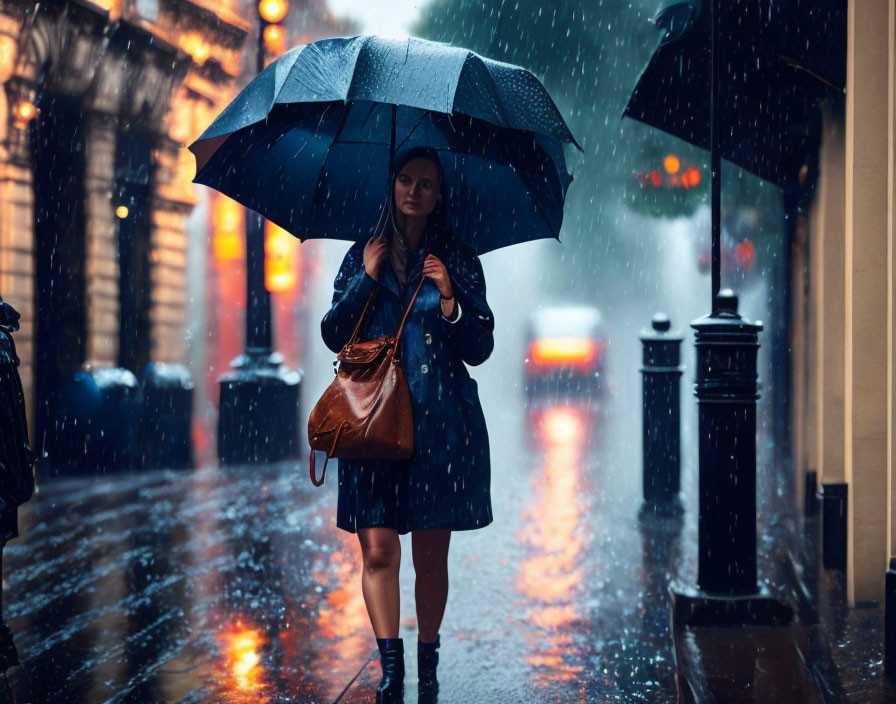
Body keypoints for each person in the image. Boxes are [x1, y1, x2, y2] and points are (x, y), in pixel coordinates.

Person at [320, 147, 494, 703]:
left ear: (440, 195)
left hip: (438, 426)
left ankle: (429, 659)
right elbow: (332, 333)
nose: (413, 191)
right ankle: (391, 670)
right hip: (372, 423)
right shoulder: (363, 254)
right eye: (404, 179)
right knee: (377, 551)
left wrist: (450, 300)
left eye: (425, 183)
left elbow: (481, 347)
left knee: (429, 556)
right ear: (391, 185)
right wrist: (365, 281)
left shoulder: (458, 259)